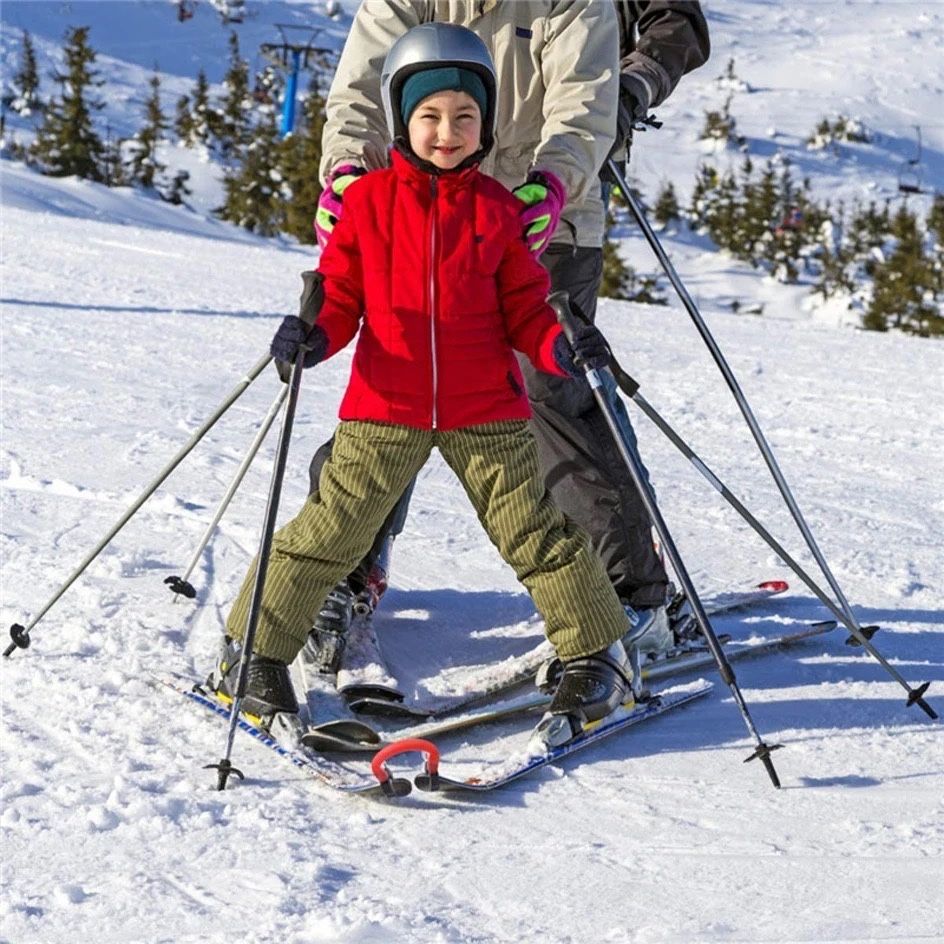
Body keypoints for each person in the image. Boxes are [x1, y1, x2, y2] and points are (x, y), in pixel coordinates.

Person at [215, 24, 638, 747]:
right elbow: (342, 298)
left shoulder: (501, 214)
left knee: (537, 535)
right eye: (431, 115)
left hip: (487, 413)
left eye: (466, 117)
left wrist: (560, 345)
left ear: (487, 124)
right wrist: (312, 336)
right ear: (402, 119)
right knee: (326, 536)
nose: (448, 132)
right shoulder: (369, 207)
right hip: (384, 409)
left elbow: (527, 309)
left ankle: (599, 653)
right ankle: (251, 654)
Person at [306, 1, 711, 670]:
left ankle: (628, 594)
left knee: (552, 397)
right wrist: (348, 172)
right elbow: (361, 91)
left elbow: (583, 101)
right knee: (395, 391)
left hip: (541, 219)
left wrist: (552, 186)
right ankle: (337, 573)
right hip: (420, 217)